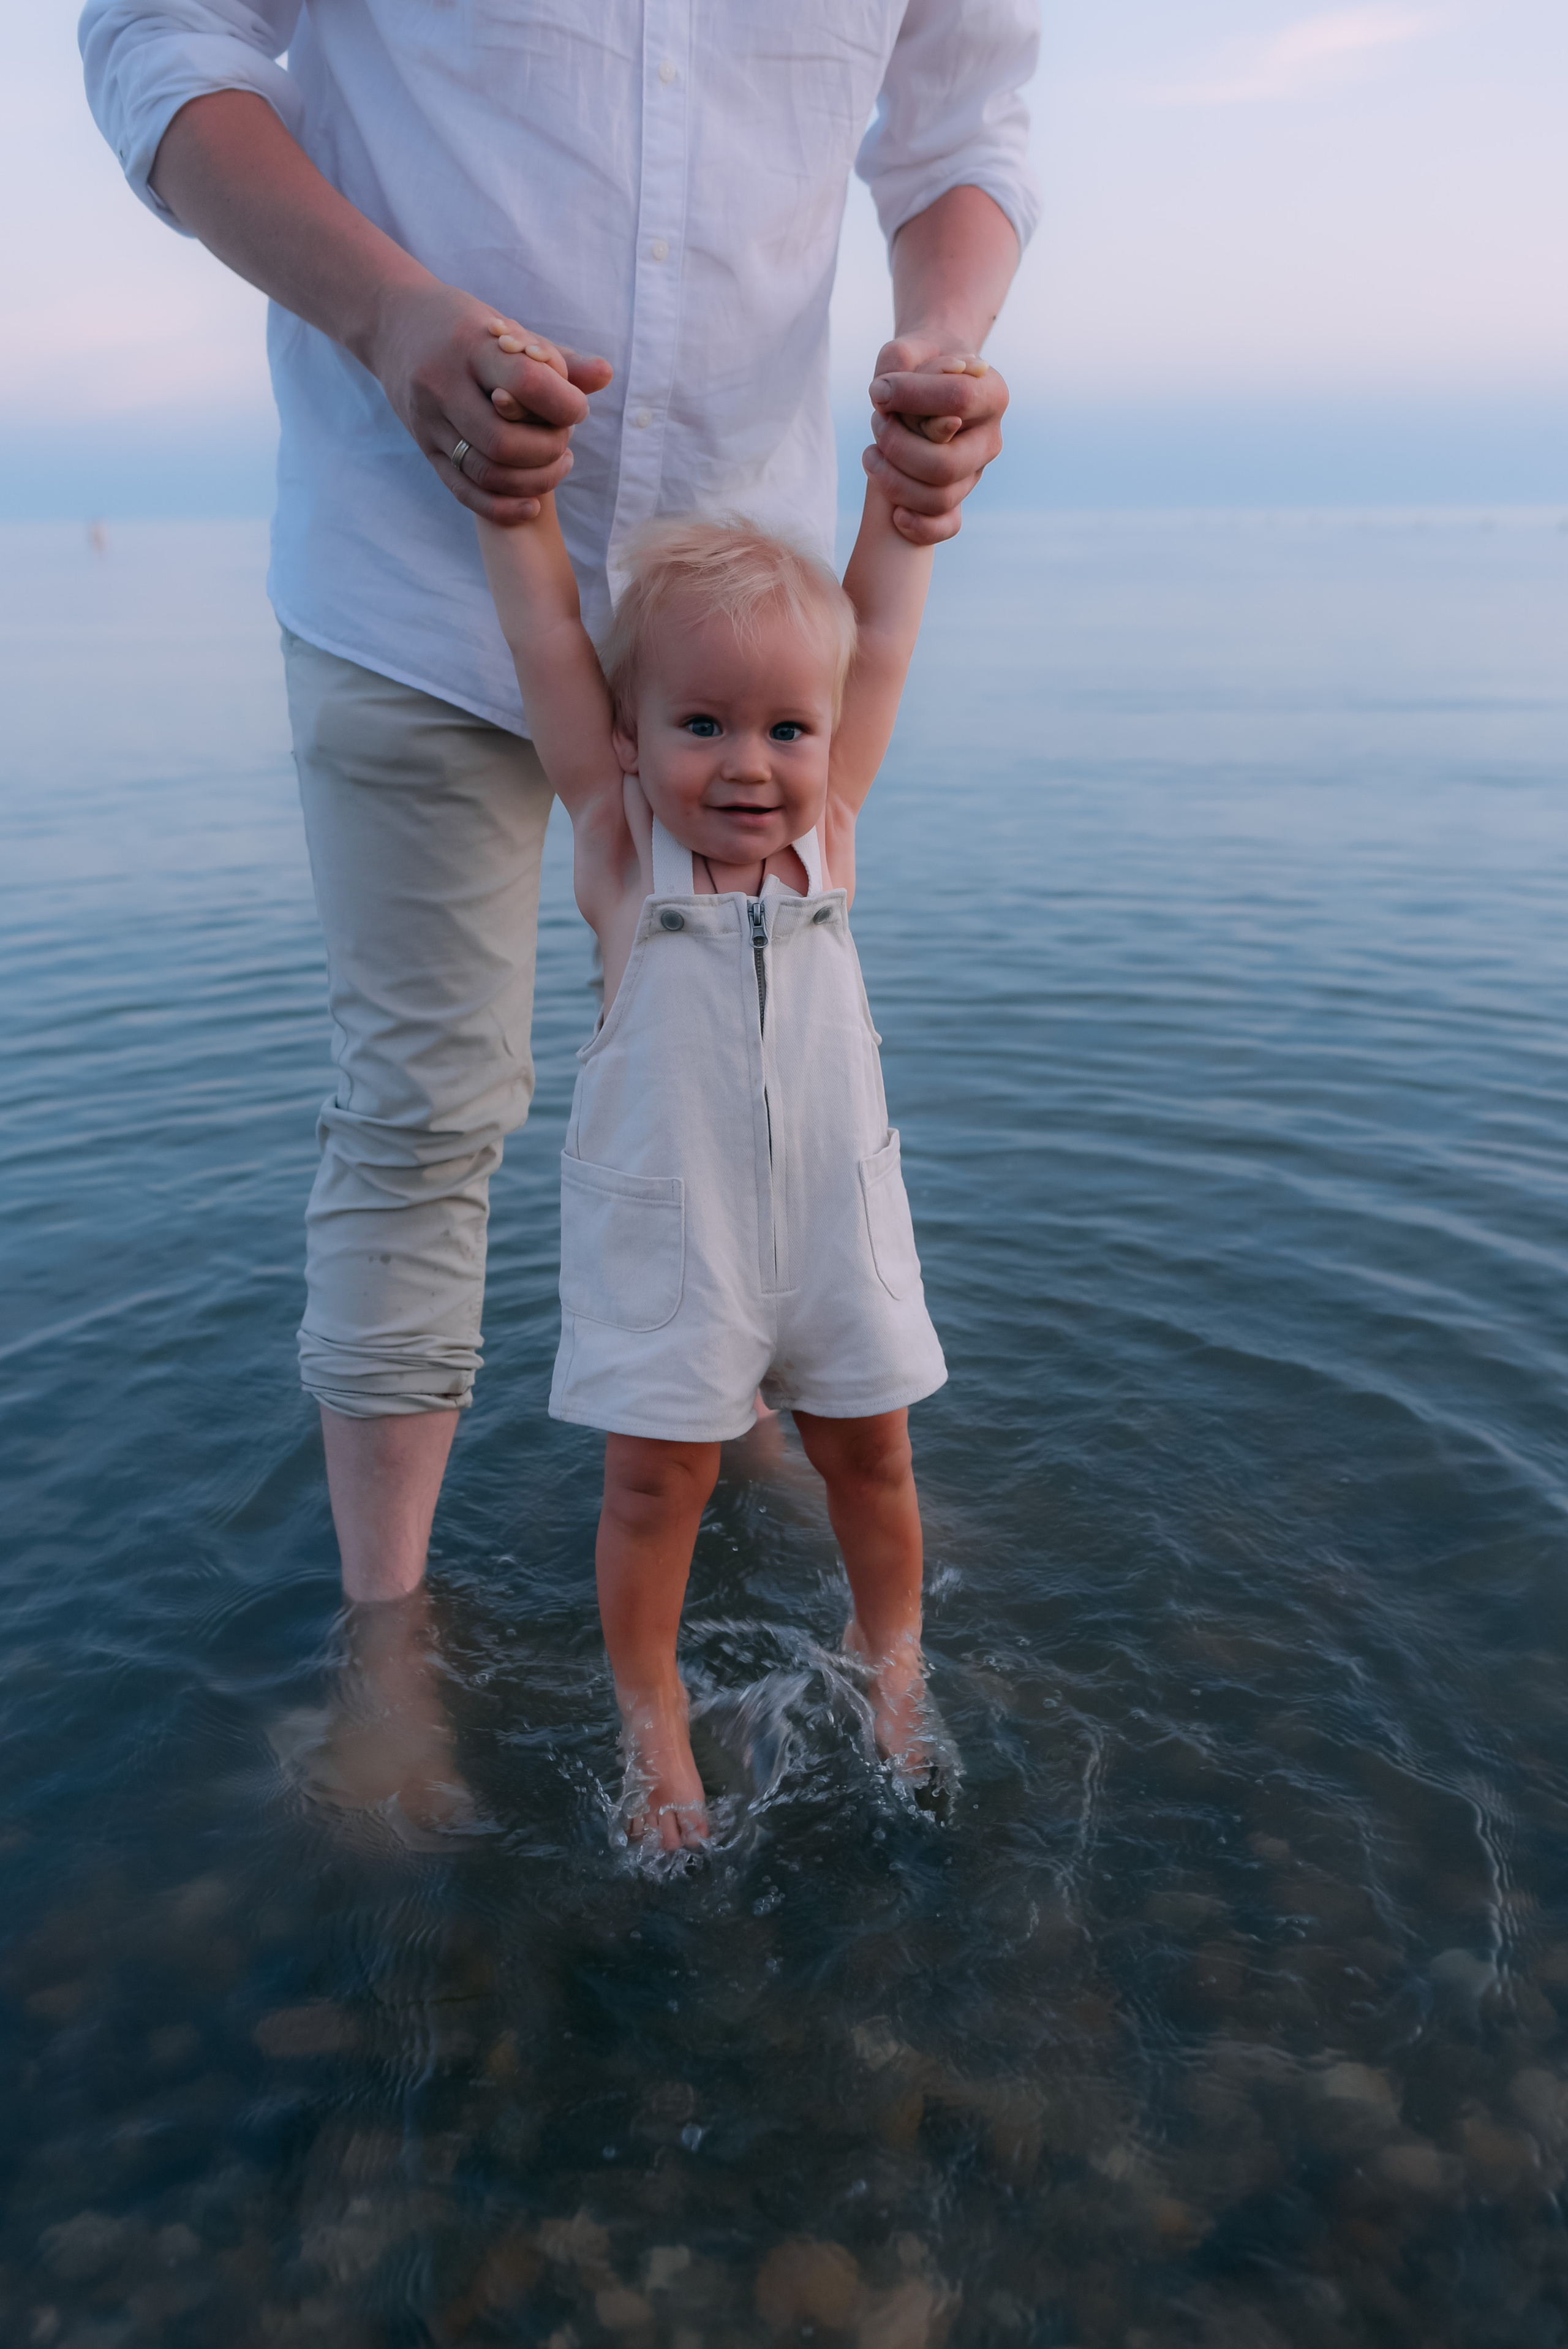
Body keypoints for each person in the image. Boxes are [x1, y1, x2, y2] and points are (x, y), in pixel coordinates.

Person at [79, 2, 1039, 1606]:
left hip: (746, 606)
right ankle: (387, 1635)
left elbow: (964, 128)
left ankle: (728, 1427)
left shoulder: (804, 793)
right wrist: (393, 322)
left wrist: (939, 351)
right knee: (423, 1107)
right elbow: (164, 44)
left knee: (723, 1089)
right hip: (407, 548)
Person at [474, 328, 955, 1845]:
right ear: (631, 737)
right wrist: (513, 511)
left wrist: (898, 496)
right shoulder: (623, 857)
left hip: (831, 1216)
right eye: (699, 726)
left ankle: (894, 1662)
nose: (748, 766)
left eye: (781, 730)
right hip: (674, 1229)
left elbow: (871, 640)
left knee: (869, 1452)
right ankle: (652, 1712)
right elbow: (556, 643)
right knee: (653, 1487)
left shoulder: (833, 835)